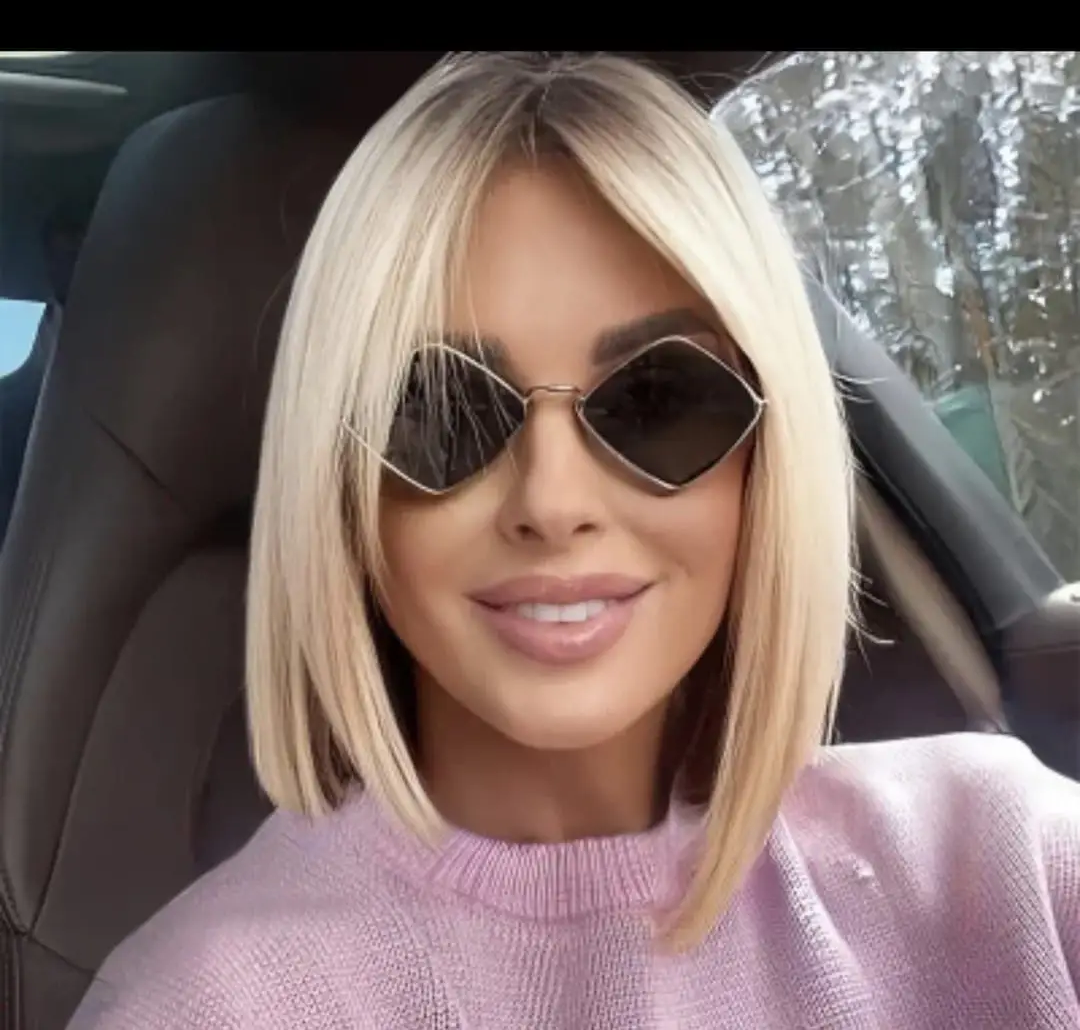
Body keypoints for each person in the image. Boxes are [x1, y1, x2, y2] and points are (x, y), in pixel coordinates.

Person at [68, 52, 1080, 1029]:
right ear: (341, 488)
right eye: (442, 411)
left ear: (766, 460)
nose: (551, 502)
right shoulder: (202, 1003)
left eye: (658, 400)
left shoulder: (1005, 862)